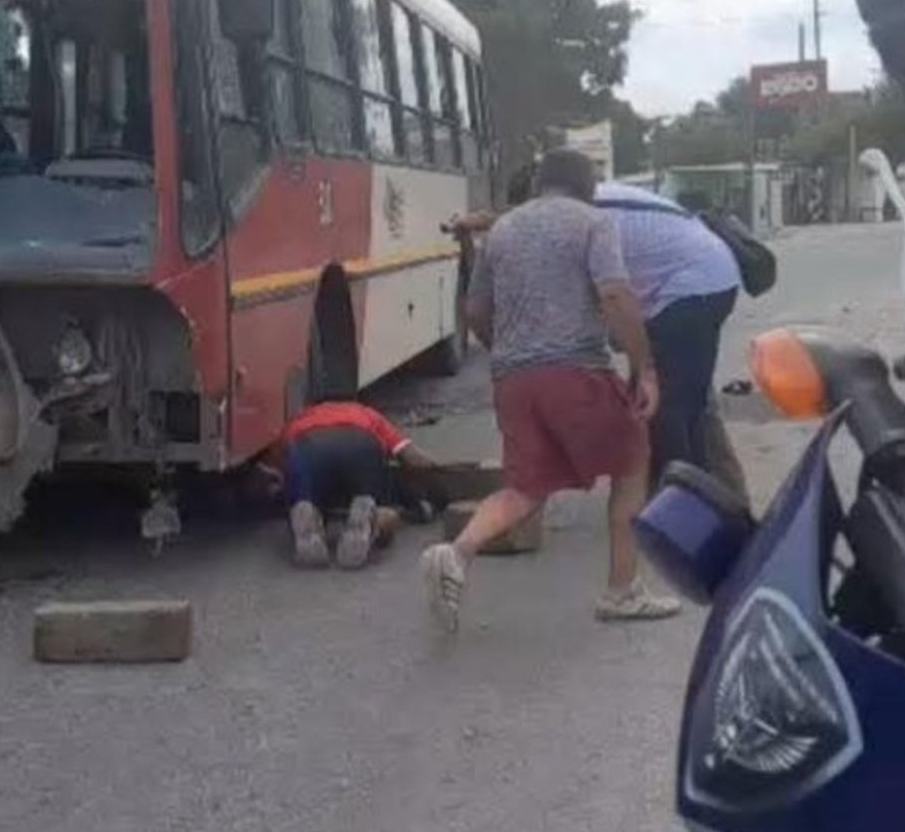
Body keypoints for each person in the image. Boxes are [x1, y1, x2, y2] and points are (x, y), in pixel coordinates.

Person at [421, 148, 679, 630]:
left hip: (513, 381)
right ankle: (622, 591)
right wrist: (643, 368)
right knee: (632, 459)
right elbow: (614, 293)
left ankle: (456, 553)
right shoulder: (593, 223)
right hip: (576, 371)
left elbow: (474, 311)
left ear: (540, 183)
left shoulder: (502, 230)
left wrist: (511, 352)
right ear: (587, 187)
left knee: (525, 488)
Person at [592, 180, 743, 488]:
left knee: (666, 406)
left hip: (692, 288)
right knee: (689, 406)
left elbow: (610, 294)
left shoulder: (585, 213)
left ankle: (681, 495)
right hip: (707, 278)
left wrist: (634, 350)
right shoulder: (595, 198)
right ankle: (703, 489)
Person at [271, 399, 436, 570]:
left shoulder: (299, 419)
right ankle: (372, 520)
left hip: (308, 446)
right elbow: (412, 457)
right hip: (360, 445)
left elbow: (279, 466)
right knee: (381, 508)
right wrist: (432, 471)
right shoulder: (367, 413)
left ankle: (308, 512)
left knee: (304, 496)